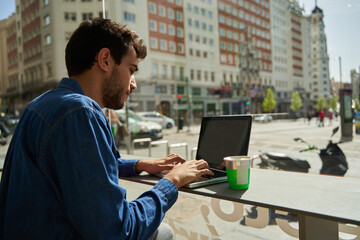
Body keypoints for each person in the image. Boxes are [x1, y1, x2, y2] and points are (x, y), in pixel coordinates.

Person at [0, 18, 213, 239]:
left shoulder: (41, 104)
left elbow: (80, 166)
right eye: (131, 70)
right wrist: (172, 181)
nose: (134, 83)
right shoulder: (81, 112)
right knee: (164, 232)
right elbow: (118, 230)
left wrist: (139, 164)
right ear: (105, 60)